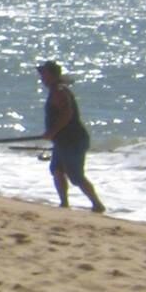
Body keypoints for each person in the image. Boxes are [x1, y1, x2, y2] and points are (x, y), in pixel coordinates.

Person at [37, 61, 106, 213]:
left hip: (73, 139)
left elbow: (67, 114)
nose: (41, 77)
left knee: (75, 176)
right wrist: (53, 134)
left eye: (44, 74)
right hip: (63, 140)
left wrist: (52, 132)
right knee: (57, 169)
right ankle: (64, 203)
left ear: (52, 75)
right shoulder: (56, 89)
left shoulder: (59, 91)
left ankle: (97, 204)